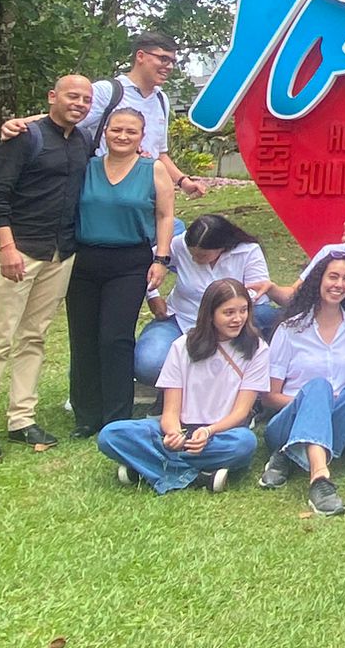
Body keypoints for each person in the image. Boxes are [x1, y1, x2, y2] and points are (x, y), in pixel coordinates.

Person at [0, 74, 93, 460]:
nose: (80, 103)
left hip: (60, 253)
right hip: (19, 249)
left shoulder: (83, 140)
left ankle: (22, 417)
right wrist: (6, 247)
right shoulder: (24, 137)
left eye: (86, 99)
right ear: (52, 96)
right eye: (73, 96)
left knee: (34, 337)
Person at [96, 279, 268, 492]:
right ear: (210, 314)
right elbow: (170, 410)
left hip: (220, 433)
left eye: (243, 311)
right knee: (111, 434)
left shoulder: (257, 348)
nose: (238, 319)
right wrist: (172, 434)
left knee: (244, 443)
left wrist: (208, 432)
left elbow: (241, 412)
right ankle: (198, 476)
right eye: (229, 313)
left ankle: (150, 467)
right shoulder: (182, 346)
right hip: (182, 429)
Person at [66, 107, 175, 438]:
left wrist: (162, 258)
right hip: (84, 261)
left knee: (115, 338)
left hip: (129, 262)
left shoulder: (152, 169)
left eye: (131, 131)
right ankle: (86, 416)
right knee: (83, 339)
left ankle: (116, 416)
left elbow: (165, 216)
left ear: (142, 137)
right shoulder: (87, 167)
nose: (123, 136)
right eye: (116, 130)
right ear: (105, 133)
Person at [1, 31, 207, 198]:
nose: (169, 66)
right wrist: (19, 124)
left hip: (144, 193)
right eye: (163, 59)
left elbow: (159, 152)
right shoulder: (108, 91)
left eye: (172, 61)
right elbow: (62, 118)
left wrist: (183, 181)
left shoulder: (161, 100)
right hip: (105, 191)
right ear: (141, 56)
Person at [258, 253, 345, 516]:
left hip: (343, 425)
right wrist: (314, 407)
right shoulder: (291, 329)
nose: (339, 284)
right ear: (318, 280)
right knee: (318, 388)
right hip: (287, 422)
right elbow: (269, 397)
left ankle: (288, 457)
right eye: (333, 276)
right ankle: (319, 479)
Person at [133, 214, 275, 386]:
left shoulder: (248, 251)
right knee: (149, 365)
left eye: (202, 256)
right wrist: (153, 296)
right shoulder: (179, 244)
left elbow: (258, 292)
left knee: (268, 315)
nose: (195, 259)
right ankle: (181, 386)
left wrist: (226, 310)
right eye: (192, 254)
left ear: (222, 247)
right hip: (182, 318)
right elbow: (144, 264)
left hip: (232, 322)